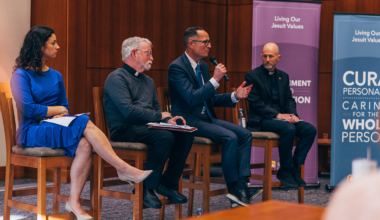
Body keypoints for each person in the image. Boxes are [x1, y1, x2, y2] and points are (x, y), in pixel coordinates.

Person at [10, 26, 152, 220]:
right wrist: (58, 112)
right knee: (84, 121)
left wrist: (60, 114)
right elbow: (29, 110)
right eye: (53, 43)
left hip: (55, 125)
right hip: (32, 130)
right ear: (40, 46)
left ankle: (74, 202)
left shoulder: (56, 75)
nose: (58, 46)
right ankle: (122, 168)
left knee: (85, 145)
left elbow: (65, 106)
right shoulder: (20, 75)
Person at [168, 27, 256, 207]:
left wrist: (234, 96)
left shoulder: (203, 67)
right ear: (191, 44)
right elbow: (192, 98)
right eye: (205, 42)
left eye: (209, 42)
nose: (209, 46)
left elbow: (209, 98)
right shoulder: (177, 67)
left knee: (245, 134)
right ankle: (234, 189)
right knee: (229, 137)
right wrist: (215, 81)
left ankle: (241, 184)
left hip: (206, 118)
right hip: (188, 120)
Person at [103, 37, 194, 209]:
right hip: (124, 130)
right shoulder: (116, 78)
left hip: (147, 127)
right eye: (148, 53)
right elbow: (128, 112)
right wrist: (160, 116)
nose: (152, 58)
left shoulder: (148, 81)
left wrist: (168, 119)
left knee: (185, 134)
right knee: (164, 137)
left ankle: (167, 183)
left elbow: (157, 109)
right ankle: (147, 189)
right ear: (134, 53)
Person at [245, 43, 317, 187]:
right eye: (264, 56)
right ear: (261, 56)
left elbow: (289, 98)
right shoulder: (252, 75)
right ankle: (285, 169)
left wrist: (292, 115)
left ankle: (293, 168)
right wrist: (278, 115)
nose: (267, 59)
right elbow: (256, 103)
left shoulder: (283, 76)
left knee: (310, 129)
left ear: (278, 57)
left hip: (282, 119)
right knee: (288, 129)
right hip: (262, 120)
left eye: (271, 56)